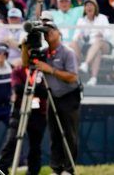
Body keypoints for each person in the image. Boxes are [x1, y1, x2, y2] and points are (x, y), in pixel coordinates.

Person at [0, 40, 47, 175]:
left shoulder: (43, 69)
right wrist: (33, 89)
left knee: (35, 145)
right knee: (11, 141)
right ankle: (0, 170)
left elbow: (46, 91)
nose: (30, 53)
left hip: (38, 111)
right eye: (27, 50)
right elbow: (17, 88)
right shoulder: (18, 70)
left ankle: (33, 171)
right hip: (19, 110)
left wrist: (28, 89)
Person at [35, 21, 81, 175]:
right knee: (54, 133)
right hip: (52, 96)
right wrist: (26, 43)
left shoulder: (68, 52)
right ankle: (56, 168)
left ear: (59, 32)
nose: (48, 32)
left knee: (69, 133)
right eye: (45, 31)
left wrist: (51, 70)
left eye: (51, 29)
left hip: (69, 96)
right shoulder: (43, 52)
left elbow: (73, 77)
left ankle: (69, 169)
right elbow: (27, 62)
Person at [71, 0, 112, 86]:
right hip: (89, 46)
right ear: (85, 8)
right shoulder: (81, 20)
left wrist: (102, 34)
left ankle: (85, 64)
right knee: (74, 44)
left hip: (104, 44)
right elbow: (75, 37)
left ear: (95, 7)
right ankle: (93, 78)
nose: (89, 7)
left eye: (91, 5)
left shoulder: (102, 18)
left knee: (98, 41)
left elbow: (109, 36)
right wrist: (79, 37)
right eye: (87, 5)